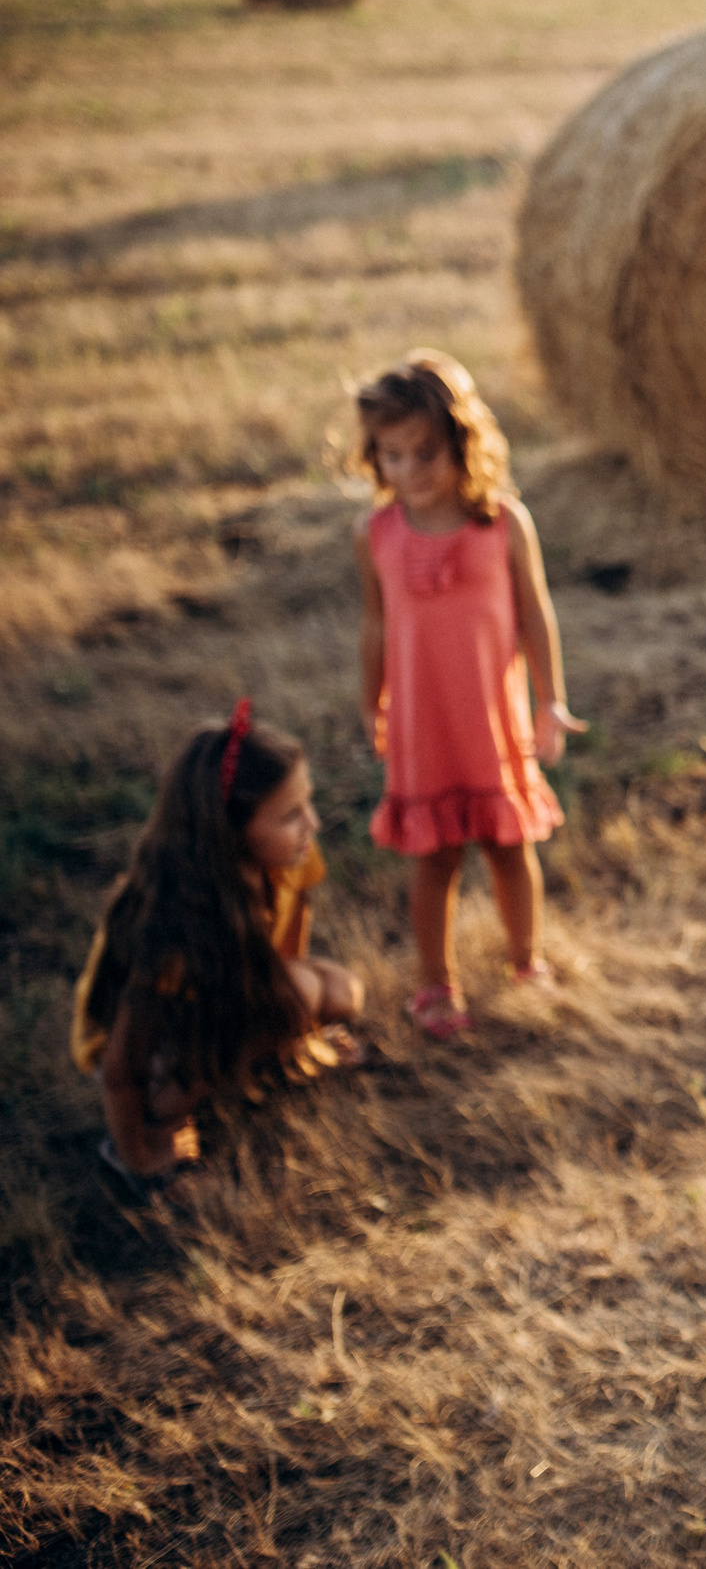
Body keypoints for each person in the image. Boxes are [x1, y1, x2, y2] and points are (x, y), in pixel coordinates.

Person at [353, 350, 584, 1041]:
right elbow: (374, 626)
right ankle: (436, 984)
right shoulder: (377, 535)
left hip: (492, 720)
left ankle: (525, 962)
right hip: (424, 727)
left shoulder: (503, 523)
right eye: (391, 456)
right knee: (436, 857)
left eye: (425, 453)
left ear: (463, 442)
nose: (409, 472)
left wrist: (551, 698)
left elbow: (537, 614)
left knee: (509, 849)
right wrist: (371, 702)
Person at [72, 702, 366, 1192]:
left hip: (220, 998)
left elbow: (288, 948)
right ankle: (162, 1112)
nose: (312, 824)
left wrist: (296, 1036)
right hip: (150, 1043)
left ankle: (251, 1057)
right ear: (229, 831)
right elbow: (122, 1064)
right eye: (290, 815)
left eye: (308, 803)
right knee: (297, 993)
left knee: (337, 992)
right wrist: (137, 1155)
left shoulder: (290, 861)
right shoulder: (174, 923)